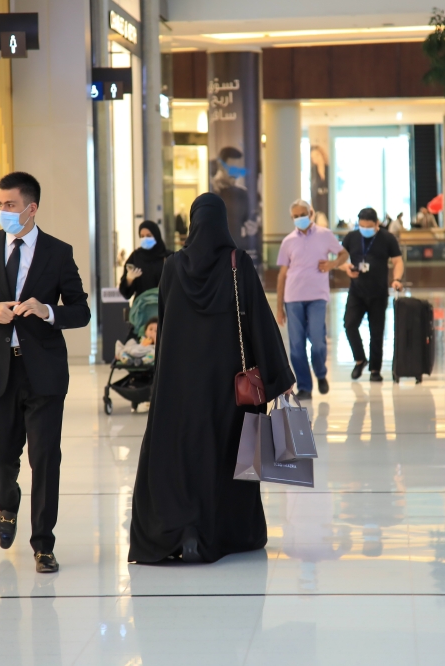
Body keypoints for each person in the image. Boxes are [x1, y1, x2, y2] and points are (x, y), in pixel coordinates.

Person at [129, 192, 295, 564]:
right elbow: (259, 321)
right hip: (229, 388)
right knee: (228, 455)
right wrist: (279, 375)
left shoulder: (172, 266)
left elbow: (166, 329)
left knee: (185, 455)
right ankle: (225, 531)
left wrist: (162, 380)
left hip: (181, 387)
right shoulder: (238, 263)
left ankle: (184, 530)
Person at [0, 171, 91, 573]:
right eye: (0, 204)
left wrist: (48, 311)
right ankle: (8, 499)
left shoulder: (58, 252)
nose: (4, 211)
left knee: (45, 458)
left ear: (31, 209)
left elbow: (81, 311)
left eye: (10, 205)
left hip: (44, 373)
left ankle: (43, 545)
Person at [276, 199, 349, 399]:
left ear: (311, 214)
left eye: (303, 214)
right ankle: (305, 387)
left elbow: (343, 254)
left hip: (317, 296)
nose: (300, 218)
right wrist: (279, 307)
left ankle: (321, 373)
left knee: (318, 342)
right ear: (292, 218)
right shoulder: (288, 241)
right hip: (293, 298)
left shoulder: (325, 235)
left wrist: (332, 264)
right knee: (296, 346)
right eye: (296, 216)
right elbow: (282, 275)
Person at [341, 207, 404, 382]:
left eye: (369, 226)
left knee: (376, 332)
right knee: (349, 324)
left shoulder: (387, 238)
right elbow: (339, 259)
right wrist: (346, 268)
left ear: (377, 224)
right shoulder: (351, 237)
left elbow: (398, 261)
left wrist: (396, 279)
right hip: (357, 291)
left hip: (378, 292)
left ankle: (375, 370)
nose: (365, 229)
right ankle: (360, 359)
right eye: (362, 226)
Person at [119, 221, 171, 300]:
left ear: (156, 235)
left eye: (149, 236)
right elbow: (126, 294)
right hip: (143, 305)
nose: (145, 239)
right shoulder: (136, 256)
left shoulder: (168, 257)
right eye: (142, 236)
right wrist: (129, 279)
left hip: (165, 304)